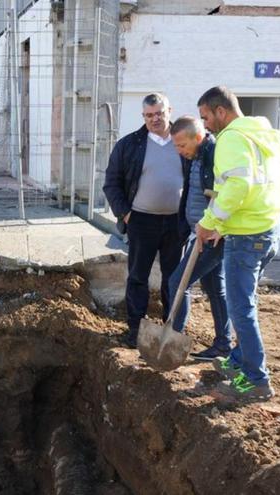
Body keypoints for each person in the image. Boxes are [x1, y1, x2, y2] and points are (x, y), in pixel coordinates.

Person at [195, 86, 280, 402]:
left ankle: (256, 380)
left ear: (221, 111)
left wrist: (209, 222)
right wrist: (221, 223)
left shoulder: (231, 138)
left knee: (241, 308)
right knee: (243, 303)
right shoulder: (262, 134)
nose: (204, 124)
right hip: (266, 230)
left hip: (247, 238)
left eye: (206, 117)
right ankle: (237, 361)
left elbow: (238, 186)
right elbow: (255, 188)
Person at [104, 93, 185, 348]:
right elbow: (111, 183)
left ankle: (173, 330)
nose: (155, 119)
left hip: (176, 223)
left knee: (174, 279)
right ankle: (136, 330)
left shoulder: (184, 142)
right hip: (141, 221)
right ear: (143, 117)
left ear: (169, 111)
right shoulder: (129, 145)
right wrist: (126, 214)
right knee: (138, 277)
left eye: (159, 113)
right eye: (149, 115)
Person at [166, 116, 232, 360]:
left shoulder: (214, 154)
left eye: (182, 145)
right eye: (175, 146)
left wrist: (215, 228)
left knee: (178, 283)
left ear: (198, 136)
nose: (179, 150)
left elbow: (224, 194)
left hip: (212, 235)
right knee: (215, 288)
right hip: (200, 230)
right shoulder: (195, 157)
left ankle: (172, 340)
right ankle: (223, 345)